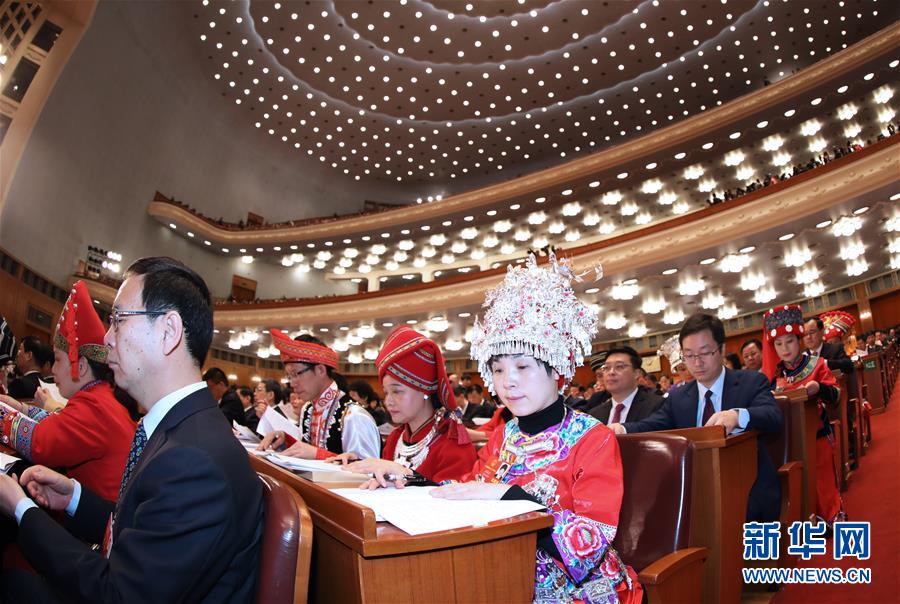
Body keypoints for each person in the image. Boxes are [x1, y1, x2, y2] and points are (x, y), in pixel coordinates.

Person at [0, 256, 263, 602]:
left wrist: (21, 509)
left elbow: (121, 595)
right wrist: (75, 497)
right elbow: (145, 529)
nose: (107, 338)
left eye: (119, 320)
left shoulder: (197, 461)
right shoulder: (180, 427)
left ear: (168, 331)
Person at [431, 254, 642, 603]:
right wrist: (409, 480)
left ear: (555, 370)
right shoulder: (505, 434)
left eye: (523, 366)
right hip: (502, 571)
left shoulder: (593, 438)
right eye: (497, 370)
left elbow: (590, 541)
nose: (508, 382)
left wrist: (506, 497)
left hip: (579, 590)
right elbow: (470, 489)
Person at [612, 313, 783, 523]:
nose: (697, 362)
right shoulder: (679, 397)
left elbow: (773, 415)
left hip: (747, 485)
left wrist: (737, 415)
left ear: (721, 350)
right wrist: (623, 429)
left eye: (705, 353)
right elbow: (654, 424)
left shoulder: (751, 382)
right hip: (695, 487)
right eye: (689, 355)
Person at [0, 281, 135, 502]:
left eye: (59, 360)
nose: (52, 369)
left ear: (81, 366)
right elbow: (61, 423)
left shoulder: (94, 406)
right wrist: (21, 408)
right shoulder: (100, 397)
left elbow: (39, 443)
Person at [338, 327, 476, 486]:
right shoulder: (395, 438)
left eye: (396, 391)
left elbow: (454, 500)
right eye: (386, 392)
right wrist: (357, 463)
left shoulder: (452, 444)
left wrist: (405, 476)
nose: (388, 401)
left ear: (424, 389)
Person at [763, 305, 846, 524]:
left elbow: (836, 394)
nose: (785, 348)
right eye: (778, 344)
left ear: (798, 339)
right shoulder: (773, 375)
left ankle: (831, 517)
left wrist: (819, 388)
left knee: (822, 480)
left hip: (817, 434)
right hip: (787, 441)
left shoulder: (816, 365)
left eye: (789, 341)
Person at [258, 331, 380, 460]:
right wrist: (285, 440)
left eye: (296, 374)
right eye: (289, 376)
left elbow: (370, 472)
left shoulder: (354, 415)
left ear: (321, 370)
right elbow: (305, 450)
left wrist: (318, 454)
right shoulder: (308, 409)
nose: (292, 383)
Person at [589, 346, 665, 425]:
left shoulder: (656, 405)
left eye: (619, 367)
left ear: (637, 373)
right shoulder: (594, 415)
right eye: (606, 368)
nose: (611, 372)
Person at [7, 336, 52, 400]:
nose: (17, 353)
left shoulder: (20, 384)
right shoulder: (47, 386)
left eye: (20, 349)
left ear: (29, 355)